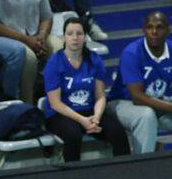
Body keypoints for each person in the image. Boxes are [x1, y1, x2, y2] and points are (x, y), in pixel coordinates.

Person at [109, 12, 172, 155]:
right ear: (143, 30)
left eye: (159, 27)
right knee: (146, 115)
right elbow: (137, 97)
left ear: (168, 30)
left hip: (156, 103)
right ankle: (142, 168)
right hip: (122, 103)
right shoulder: (131, 52)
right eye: (149, 27)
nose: (154, 32)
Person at [42, 17, 129, 162]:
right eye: (70, 34)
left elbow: (100, 96)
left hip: (89, 111)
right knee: (73, 135)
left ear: (85, 37)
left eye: (79, 33)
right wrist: (82, 120)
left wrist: (96, 117)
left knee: (117, 132)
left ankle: (126, 176)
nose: (75, 38)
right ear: (64, 37)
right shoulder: (54, 63)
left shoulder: (94, 60)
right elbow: (55, 104)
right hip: (61, 114)